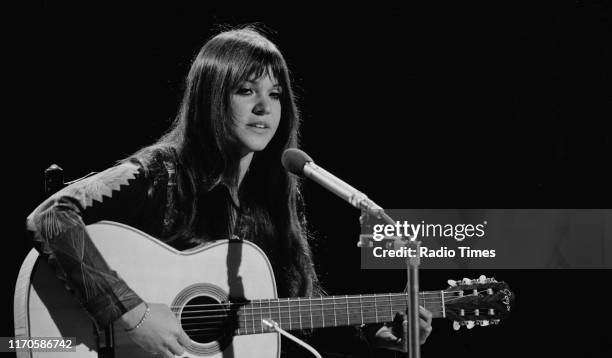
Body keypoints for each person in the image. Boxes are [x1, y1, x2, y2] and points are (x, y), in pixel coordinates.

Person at [26, 26, 432, 357]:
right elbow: (51, 216)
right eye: (246, 90)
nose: (264, 107)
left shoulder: (272, 198)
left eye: (275, 94)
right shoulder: (160, 170)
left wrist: (371, 332)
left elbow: (290, 313)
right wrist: (131, 313)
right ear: (211, 97)